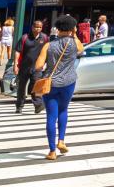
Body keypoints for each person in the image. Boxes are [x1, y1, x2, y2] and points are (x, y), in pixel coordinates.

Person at [35, 14, 83, 161]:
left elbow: (38, 66)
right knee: (64, 110)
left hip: (51, 83)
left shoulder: (48, 45)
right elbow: (81, 50)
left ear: (57, 29)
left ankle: (52, 151)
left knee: (51, 115)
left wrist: (45, 68)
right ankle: (61, 140)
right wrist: (74, 33)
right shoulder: (75, 43)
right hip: (69, 82)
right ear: (72, 29)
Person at [15, 20, 50, 114]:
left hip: (37, 67)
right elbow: (17, 51)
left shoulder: (45, 38)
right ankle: (19, 106)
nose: (37, 29)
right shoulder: (25, 38)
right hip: (24, 67)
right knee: (21, 87)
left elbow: (48, 51)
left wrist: (46, 63)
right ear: (32, 27)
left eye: (40, 27)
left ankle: (38, 105)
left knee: (36, 86)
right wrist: (15, 65)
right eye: (36, 27)